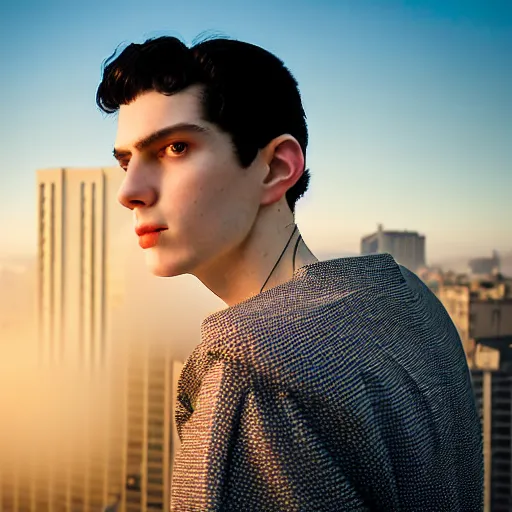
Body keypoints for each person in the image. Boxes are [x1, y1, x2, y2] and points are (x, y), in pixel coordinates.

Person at [96, 36, 483, 511]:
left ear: (277, 168)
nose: (129, 191)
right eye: (126, 161)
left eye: (176, 147)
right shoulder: (407, 294)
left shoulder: (251, 377)